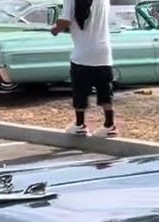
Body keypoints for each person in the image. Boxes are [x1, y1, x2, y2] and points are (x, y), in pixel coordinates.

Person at [52, 0, 117, 136]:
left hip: (83, 53)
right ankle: (109, 125)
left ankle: (80, 124)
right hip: (103, 52)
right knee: (105, 89)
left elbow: (65, 21)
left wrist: (55, 29)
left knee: (80, 91)